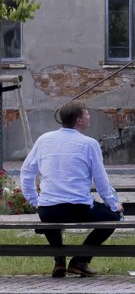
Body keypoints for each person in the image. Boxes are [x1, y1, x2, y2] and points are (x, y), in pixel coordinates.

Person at [20, 102, 123, 278]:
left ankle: (59, 260)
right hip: (78, 208)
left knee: (53, 214)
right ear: (79, 120)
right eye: (87, 114)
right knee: (114, 218)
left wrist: (34, 200)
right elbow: (101, 181)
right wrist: (114, 204)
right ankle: (80, 261)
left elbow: (27, 171)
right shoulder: (89, 144)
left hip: (47, 210)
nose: (89, 117)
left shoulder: (44, 140)